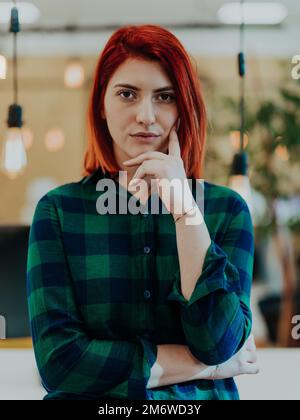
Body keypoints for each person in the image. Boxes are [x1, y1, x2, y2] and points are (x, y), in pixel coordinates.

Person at [26, 24, 258, 400]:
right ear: (102, 104)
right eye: (127, 94)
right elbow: (59, 363)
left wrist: (185, 212)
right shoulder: (59, 211)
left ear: (184, 108)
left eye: (165, 97)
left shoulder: (225, 211)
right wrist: (205, 367)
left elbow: (219, 341)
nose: (146, 115)